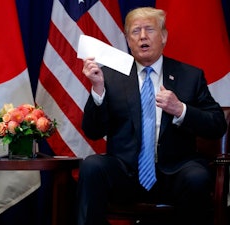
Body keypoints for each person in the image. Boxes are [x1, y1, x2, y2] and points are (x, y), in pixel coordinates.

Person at [77, 7, 227, 225]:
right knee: (92, 167)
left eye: (149, 29)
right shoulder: (109, 76)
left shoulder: (190, 76)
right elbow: (93, 131)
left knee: (197, 177)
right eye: (135, 31)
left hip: (174, 172)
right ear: (128, 40)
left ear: (164, 36)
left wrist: (180, 109)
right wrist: (98, 91)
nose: (143, 37)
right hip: (126, 173)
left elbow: (217, 125)